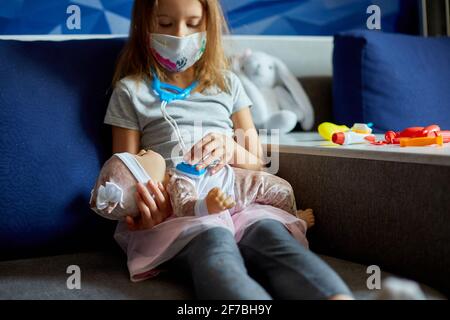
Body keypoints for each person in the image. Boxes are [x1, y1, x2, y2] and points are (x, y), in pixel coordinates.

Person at [103, 0, 354, 299]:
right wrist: (145, 211)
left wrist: (231, 148)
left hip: (240, 200)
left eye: (193, 23)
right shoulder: (131, 91)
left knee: (275, 240)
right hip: (182, 211)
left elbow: (258, 162)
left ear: (209, 26)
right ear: (144, 25)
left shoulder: (228, 84)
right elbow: (127, 172)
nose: (180, 35)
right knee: (215, 248)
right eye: (165, 24)